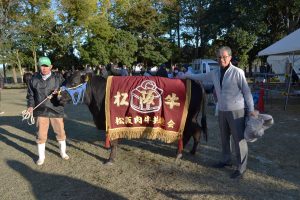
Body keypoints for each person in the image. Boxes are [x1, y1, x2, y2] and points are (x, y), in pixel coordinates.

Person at [181, 46, 255, 179]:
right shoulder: (215, 72)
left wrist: (251, 110)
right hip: (222, 110)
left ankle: (241, 167)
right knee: (224, 137)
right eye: (219, 57)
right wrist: (186, 75)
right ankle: (226, 159)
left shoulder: (238, 72)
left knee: (239, 140)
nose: (222, 59)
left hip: (236, 111)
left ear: (230, 57)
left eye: (224, 57)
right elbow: (201, 76)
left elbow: (246, 92)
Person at [26, 56, 69, 165]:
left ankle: (63, 152)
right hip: (41, 111)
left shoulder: (58, 78)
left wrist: (59, 91)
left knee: (60, 133)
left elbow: (66, 89)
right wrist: (30, 106)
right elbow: (30, 95)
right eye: (42, 66)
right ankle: (41, 157)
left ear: (51, 66)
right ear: (39, 67)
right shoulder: (33, 79)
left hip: (56, 109)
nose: (44, 68)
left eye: (46, 66)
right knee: (41, 135)